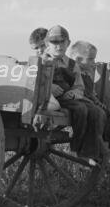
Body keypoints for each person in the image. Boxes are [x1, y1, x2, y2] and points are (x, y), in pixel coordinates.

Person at [41, 25, 106, 161]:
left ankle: (88, 149)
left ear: (68, 43)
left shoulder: (72, 64)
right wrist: (49, 86)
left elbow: (79, 86)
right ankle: (76, 145)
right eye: (54, 42)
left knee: (96, 111)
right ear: (47, 43)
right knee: (81, 108)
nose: (58, 46)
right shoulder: (42, 60)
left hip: (67, 98)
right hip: (50, 99)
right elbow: (33, 81)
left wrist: (74, 93)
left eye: (62, 42)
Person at [68, 40, 110, 157]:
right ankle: (98, 141)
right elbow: (77, 92)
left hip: (90, 102)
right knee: (98, 115)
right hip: (80, 101)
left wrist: (97, 102)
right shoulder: (73, 72)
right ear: (78, 60)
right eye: (90, 59)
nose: (94, 62)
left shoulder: (87, 74)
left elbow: (92, 93)